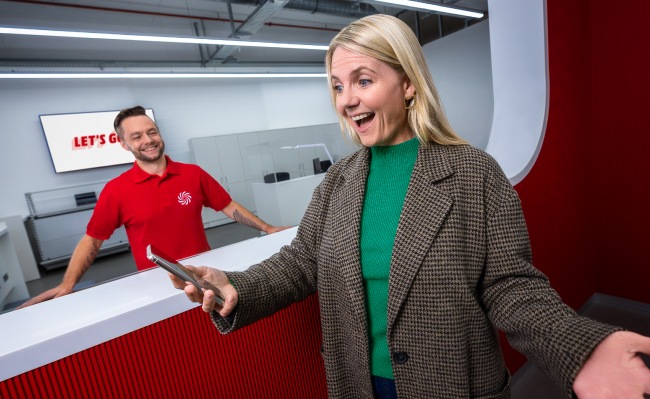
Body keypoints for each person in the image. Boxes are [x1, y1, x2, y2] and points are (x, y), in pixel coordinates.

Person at [169, 15, 650, 399]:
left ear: (408, 85)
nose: (347, 100)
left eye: (362, 80)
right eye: (337, 86)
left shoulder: (473, 173)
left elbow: (511, 286)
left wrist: (579, 348)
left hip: (453, 386)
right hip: (360, 384)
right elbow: (302, 263)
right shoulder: (339, 182)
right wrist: (237, 285)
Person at [20, 105, 289, 308]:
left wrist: (267, 228)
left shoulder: (192, 174)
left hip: (207, 274)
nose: (147, 140)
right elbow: (93, 241)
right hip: (155, 285)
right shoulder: (116, 190)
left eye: (152, 132)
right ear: (124, 144)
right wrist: (67, 285)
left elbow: (228, 206)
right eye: (136, 136)